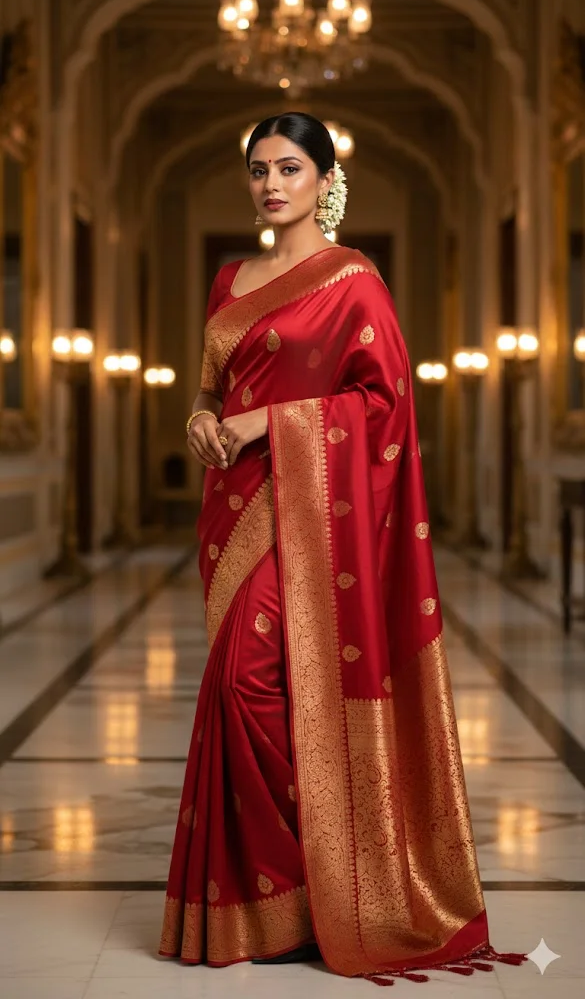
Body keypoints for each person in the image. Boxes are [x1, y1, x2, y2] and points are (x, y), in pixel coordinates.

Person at [158, 112, 525, 984]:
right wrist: (205, 418)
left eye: (289, 168)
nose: (271, 184)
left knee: (258, 684)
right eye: (258, 170)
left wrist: (266, 424)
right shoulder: (228, 279)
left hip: (316, 518)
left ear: (325, 180)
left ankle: (332, 883)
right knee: (239, 686)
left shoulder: (354, 281)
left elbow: (384, 408)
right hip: (234, 511)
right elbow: (209, 386)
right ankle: (280, 900)